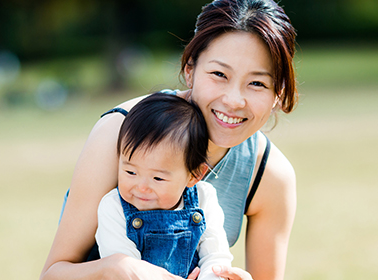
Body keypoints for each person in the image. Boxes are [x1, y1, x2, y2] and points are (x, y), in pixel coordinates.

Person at [40, 0, 298, 279]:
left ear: (278, 93)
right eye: (219, 74)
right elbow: (54, 274)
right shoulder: (121, 131)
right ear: (190, 69)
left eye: (257, 83)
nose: (234, 101)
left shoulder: (269, 174)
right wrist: (114, 268)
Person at [96, 92, 232, 280]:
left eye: (158, 178)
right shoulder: (113, 207)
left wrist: (211, 276)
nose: (142, 187)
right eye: (130, 172)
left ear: (194, 175)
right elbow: (126, 270)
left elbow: (216, 257)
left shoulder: (203, 198)